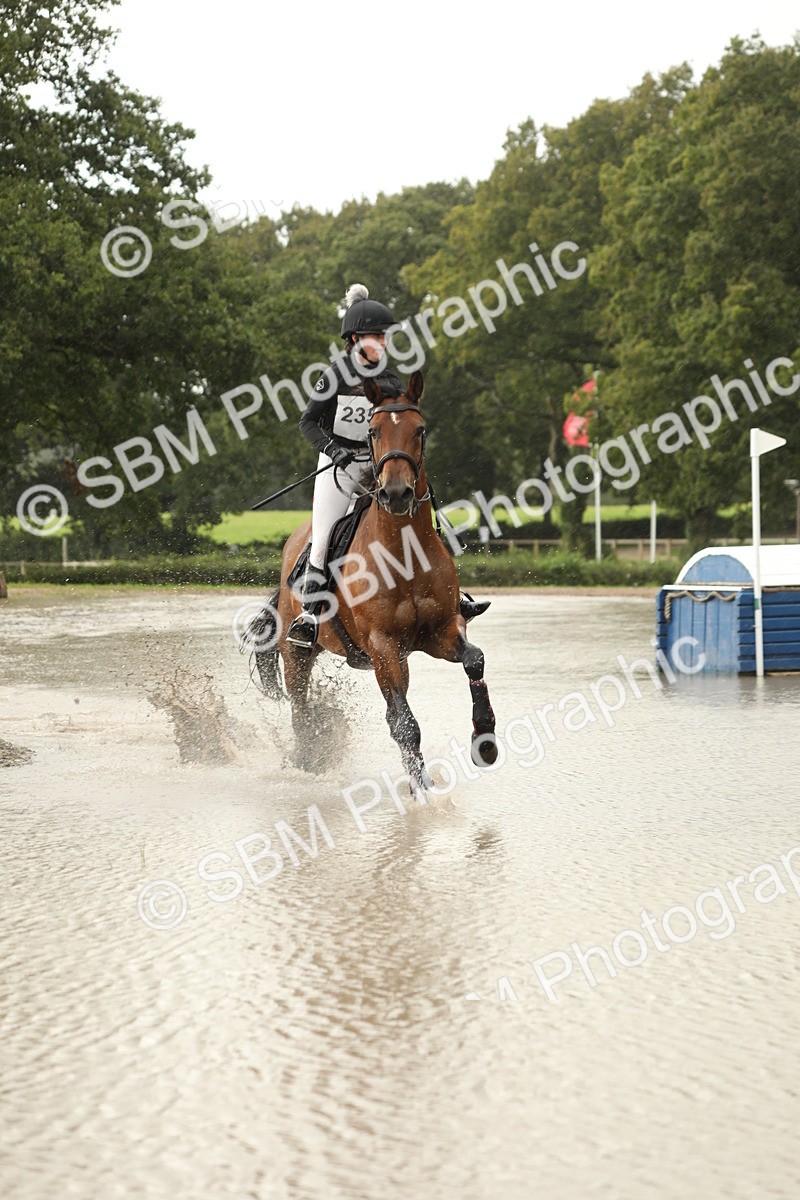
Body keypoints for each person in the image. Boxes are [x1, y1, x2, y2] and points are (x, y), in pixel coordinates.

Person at [286, 283, 489, 648]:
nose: (380, 341)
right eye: (373, 335)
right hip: (339, 468)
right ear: (353, 338)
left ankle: (450, 596)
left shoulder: (390, 380)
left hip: (380, 468)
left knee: (423, 511)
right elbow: (307, 423)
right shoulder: (333, 376)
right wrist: (334, 451)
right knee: (324, 534)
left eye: (383, 335)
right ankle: (308, 615)